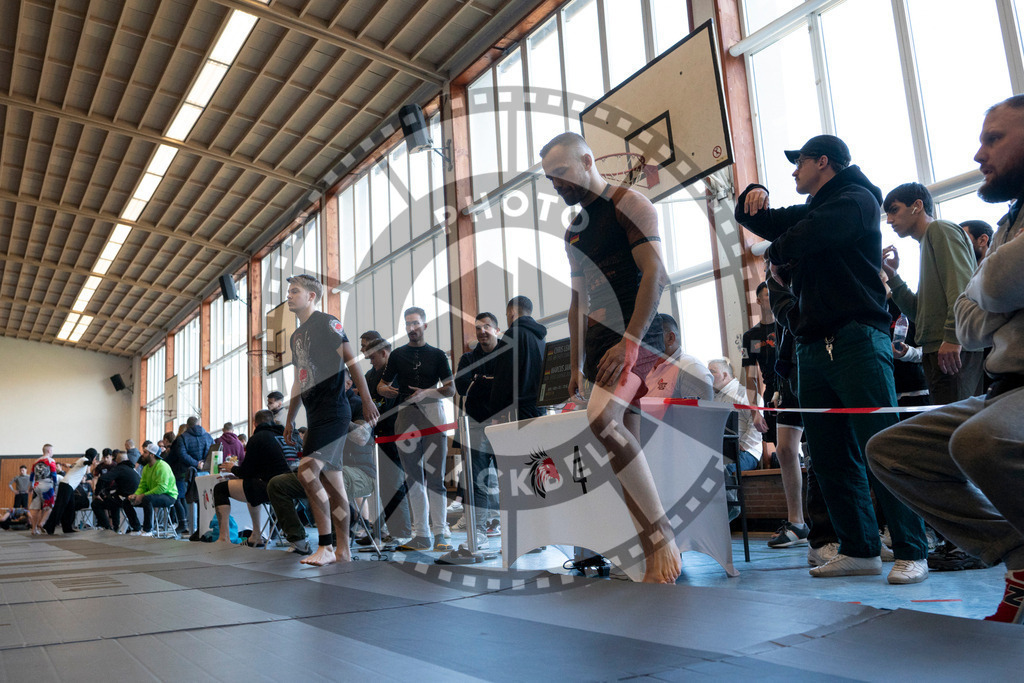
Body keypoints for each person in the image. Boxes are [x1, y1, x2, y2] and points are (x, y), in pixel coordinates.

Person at [735, 133, 929, 584]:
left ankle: (912, 549)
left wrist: (776, 253)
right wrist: (752, 194)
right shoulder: (815, 207)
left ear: (823, 162)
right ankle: (859, 549)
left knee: (881, 446)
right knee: (827, 455)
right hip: (811, 344)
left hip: (857, 337)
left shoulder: (857, 199)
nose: (793, 171)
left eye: (799, 162)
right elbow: (759, 220)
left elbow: (805, 236)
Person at [868, 95, 1024, 622]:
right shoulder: (1007, 223)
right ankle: (1018, 553)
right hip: (967, 360)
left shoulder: (943, 232)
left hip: (959, 354)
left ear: (917, 206)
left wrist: (962, 329)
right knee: (892, 450)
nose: (979, 154)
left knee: (977, 442)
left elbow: (981, 287)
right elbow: (953, 307)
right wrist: (894, 283)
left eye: (994, 139)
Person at [540, 131, 679, 583]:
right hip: (601, 349)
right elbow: (577, 303)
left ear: (587, 160)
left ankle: (661, 538)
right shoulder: (573, 232)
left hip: (638, 339)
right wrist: (576, 364)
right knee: (622, 452)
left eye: (562, 172)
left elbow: (656, 274)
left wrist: (631, 342)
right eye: (550, 178)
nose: (557, 184)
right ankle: (644, 552)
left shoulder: (630, 204)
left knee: (603, 421)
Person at [283, 273, 379, 567]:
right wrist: (290, 419)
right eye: (289, 291)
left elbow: (351, 360)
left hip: (335, 412)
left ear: (311, 296)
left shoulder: (327, 322)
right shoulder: (295, 336)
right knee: (334, 484)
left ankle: (324, 545)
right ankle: (343, 550)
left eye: (295, 291)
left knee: (307, 472)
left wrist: (366, 399)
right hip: (315, 415)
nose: (289, 295)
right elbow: (299, 380)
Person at [882, 182, 984, 404]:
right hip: (938, 348)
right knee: (950, 419)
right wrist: (893, 276)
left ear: (917, 206)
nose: (889, 220)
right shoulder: (927, 241)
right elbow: (918, 314)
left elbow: (961, 288)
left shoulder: (940, 229)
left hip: (951, 348)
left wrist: (953, 337)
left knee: (956, 421)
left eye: (894, 210)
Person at [378, 306, 455, 552]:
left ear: (425, 325)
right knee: (413, 477)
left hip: (433, 414)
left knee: (435, 477)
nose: (411, 328)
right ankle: (421, 534)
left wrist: (427, 393)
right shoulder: (397, 355)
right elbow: (381, 385)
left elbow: (451, 389)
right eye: (408, 324)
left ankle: (440, 532)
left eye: (415, 323)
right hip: (406, 415)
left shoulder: (438, 355)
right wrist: (385, 390)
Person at [455, 312, 502, 547]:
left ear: (497, 330)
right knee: (477, 482)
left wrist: (479, 380)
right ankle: (479, 532)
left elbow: (508, 385)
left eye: (487, 327)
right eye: (478, 328)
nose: (482, 331)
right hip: (474, 425)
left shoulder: (506, 355)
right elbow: (461, 387)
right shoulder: (467, 358)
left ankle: (511, 527)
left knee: (508, 478)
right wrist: (490, 381)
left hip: (502, 424)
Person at [212, 410, 293, 546]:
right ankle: (256, 535)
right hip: (292, 488)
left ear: (255, 423)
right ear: (273, 421)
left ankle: (224, 537)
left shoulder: (258, 438)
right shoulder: (284, 436)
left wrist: (232, 468)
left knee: (220, 489)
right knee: (251, 486)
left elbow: (247, 471)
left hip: (272, 487)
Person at [360, 332, 411, 543]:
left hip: (395, 435)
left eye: (372, 356)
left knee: (395, 485)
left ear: (383, 352)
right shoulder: (370, 376)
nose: (368, 359)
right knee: (383, 487)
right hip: (377, 436)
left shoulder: (398, 372)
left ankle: (402, 533)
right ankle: (385, 530)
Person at [490, 297, 548, 422]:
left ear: (512, 312)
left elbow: (503, 376)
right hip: (540, 408)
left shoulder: (512, 334)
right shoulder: (541, 338)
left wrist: (496, 413)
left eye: (506, 315)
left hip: (519, 411)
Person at [707, 358, 766, 476]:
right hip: (722, 452)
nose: (708, 375)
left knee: (720, 471)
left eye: (712, 372)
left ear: (725, 375)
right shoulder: (712, 398)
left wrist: (742, 446)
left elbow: (756, 427)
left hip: (746, 453)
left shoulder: (744, 394)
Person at [741, 282, 778, 453]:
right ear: (758, 300)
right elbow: (751, 377)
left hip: (794, 390)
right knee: (782, 449)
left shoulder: (787, 327)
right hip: (771, 394)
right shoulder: (751, 337)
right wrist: (755, 411)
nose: (773, 298)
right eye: (768, 295)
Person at [643, 314, 713, 401]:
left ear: (670, 338)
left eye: (648, 337)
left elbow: (702, 409)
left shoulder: (690, 368)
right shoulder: (645, 368)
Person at [166, 417, 210, 534]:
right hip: (204, 472)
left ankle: (192, 528)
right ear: (199, 423)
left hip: (186, 473)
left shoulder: (182, 438)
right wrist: (202, 463)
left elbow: (182, 454)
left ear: (187, 425)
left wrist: (195, 463)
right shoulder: (208, 436)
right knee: (204, 501)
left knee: (189, 500)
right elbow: (212, 452)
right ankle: (202, 528)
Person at [128, 442, 178, 537]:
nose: (142, 454)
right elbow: (142, 486)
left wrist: (142, 496)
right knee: (127, 501)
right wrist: (136, 495)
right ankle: (136, 528)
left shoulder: (162, 466)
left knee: (147, 499)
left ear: (152, 455)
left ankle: (147, 530)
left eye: (145, 452)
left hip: (169, 496)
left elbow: (162, 488)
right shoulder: (146, 468)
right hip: (154, 495)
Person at [43, 448, 97, 535]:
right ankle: (48, 526)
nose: (95, 459)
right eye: (95, 457)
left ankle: (67, 527)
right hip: (66, 485)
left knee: (70, 508)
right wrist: (90, 463)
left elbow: (73, 466)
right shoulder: (84, 459)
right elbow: (85, 462)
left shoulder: (81, 460)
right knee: (60, 507)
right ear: (92, 456)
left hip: (69, 486)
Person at [93, 450, 142, 533]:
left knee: (96, 503)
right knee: (113, 499)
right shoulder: (132, 469)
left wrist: (97, 493)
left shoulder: (119, 468)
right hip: (137, 497)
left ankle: (107, 527)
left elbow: (102, 479)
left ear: (116, 460)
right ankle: (116, 527)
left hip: (126, 498)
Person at [28, 445, 59, 535]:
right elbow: (54, 475)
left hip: (36, 485)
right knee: (49, 507)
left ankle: (34, 529)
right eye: (52, 450)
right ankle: (42, 523)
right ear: (49, 451)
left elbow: (31, 476)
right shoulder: (51, 461)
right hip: (47, 485)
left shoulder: (36, 461)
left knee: (36, 509)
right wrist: (55, 487)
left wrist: (30, 487)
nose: (52, 452)